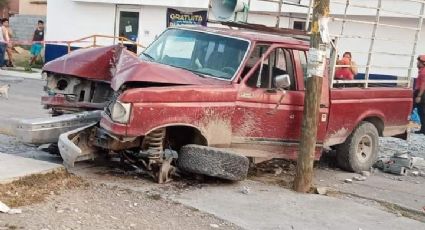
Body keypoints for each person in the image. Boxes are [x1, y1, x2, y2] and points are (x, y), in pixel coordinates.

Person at [414, 55, 425, 135]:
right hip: (419, 92)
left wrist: (419, 96)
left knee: (422, 111)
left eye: (419, 62)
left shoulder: (423, 72)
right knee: (421, 111)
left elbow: (423, 84)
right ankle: (423, 129)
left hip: (421, 93)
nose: (417, 63)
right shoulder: (421, 71)